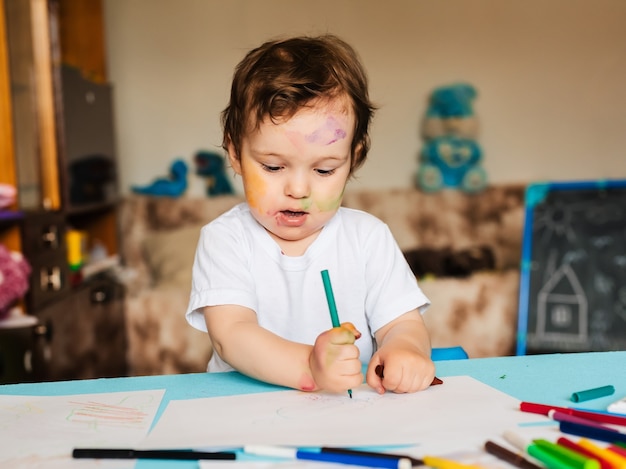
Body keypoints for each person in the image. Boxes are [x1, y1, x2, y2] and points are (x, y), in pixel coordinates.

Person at [186, 34, 435, 395]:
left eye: (323, 171)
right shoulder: (226, 239)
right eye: (273, 166)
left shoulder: (368, 237)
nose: (298, 190)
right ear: (235, 154)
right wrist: (310, 367)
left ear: (353, 159)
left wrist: (405, 350)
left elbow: (402, 322)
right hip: (246, 413)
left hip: (344, 417)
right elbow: (233, 335)